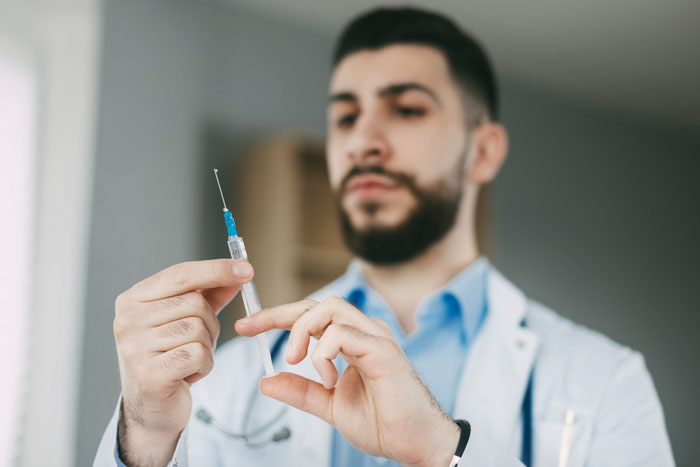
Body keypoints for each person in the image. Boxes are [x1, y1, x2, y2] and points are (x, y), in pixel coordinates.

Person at [95, 7, 674, 467]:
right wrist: (144, 436)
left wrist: (444, 453)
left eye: (407, 109)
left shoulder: (605, 382)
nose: (364, 140)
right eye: (345, 117)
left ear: (483, 149)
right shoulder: (240, 377)